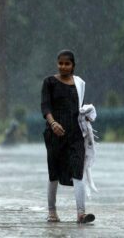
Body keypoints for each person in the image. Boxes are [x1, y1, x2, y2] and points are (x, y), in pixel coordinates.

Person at [41, 50, 95, 224]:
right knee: (54, 173)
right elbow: (45, 106)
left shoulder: (79, 84)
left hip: (76, 134)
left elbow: (78, 107)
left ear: (73, 65)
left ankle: (81, 213)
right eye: (60, 63)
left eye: (67, 64)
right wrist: (53, 123)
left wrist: (87, 114)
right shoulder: (49, 82)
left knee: (77, 171)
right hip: (54, 134)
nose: (63, 67)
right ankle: (52, 212)